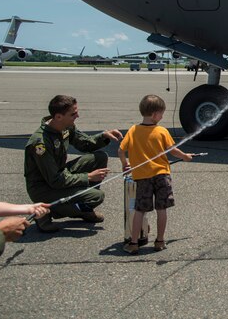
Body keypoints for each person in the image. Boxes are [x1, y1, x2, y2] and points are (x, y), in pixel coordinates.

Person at [24, 95, 123, 233]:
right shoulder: (40, 143)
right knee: (96, 196)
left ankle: (84, 208)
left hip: (59, 174)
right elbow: (55, 180)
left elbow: (84, 143)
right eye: (73, 114)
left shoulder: (65, 126)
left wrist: (103, 136)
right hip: (43, 188)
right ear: (58, 116)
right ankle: (44, 212)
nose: (77, 116)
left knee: (99, 158)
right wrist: (88, 177)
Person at [118, 95, 192, 254]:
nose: (162, 117)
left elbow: (121, 150)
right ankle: (159, 241)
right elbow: (173, 151)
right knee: (162, 209)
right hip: (161, 175)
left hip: (142, 177)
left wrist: (125, 164)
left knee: (139, 210)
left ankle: (133, 243)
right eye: (161, 113)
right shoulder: (162, 131)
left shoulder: (133, 130)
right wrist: (185, 157)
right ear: (154, 114)